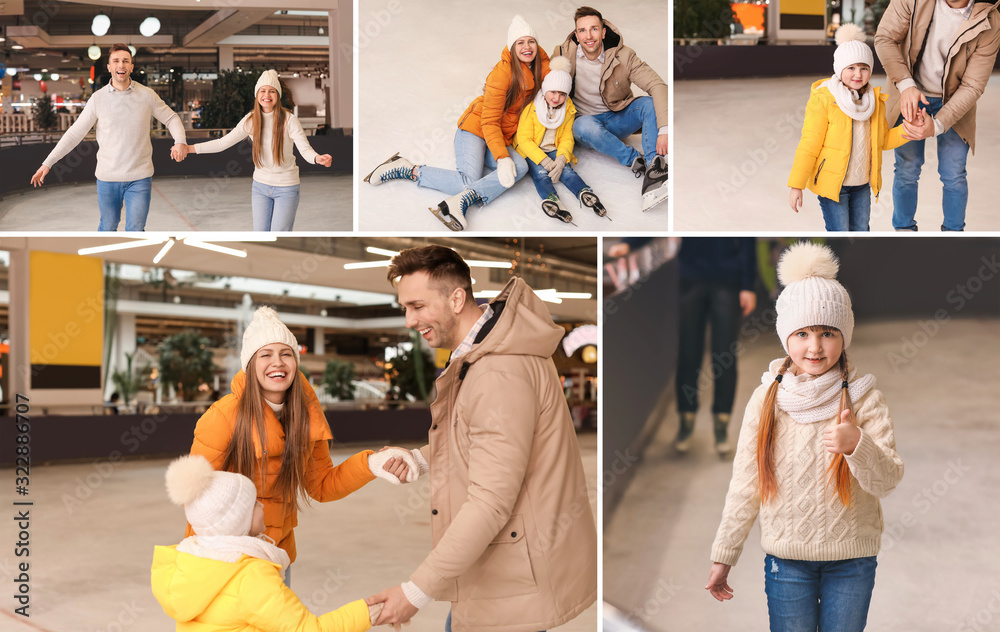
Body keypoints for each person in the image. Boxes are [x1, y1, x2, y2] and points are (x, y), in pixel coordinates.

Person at [366, 246, 597, 631]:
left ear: (457, 298)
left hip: (511, 588)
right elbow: (484, 441)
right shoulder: (484, 355)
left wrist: (416, 591)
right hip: (497, 578)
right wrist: (423, 459)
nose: (410, 320)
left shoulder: (497, 371)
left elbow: (491, 500)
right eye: (405, 308)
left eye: (418, 306)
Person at [705, 242, 904, 631]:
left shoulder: (864, 397)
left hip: (852, 560)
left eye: (828, 333)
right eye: (803, 333)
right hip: (786, 561)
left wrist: (857, 446)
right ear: (785, 337)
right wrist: (724, 553)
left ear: (844, 335)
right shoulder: (767, 399)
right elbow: (746, 484)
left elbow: (888, 479)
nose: (814, 347)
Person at [187, 305, 418, 585]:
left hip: (278, 555)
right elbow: (196, 494)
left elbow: (322, 485)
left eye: (286, 354)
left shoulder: (303, 416)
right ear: (250, 364)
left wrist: (372, 465)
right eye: (266, 354)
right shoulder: (223, 416)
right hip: (229, 561)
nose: (278, 362)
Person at [152, 454, 380, 630]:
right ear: (236, 521)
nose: (262, 506)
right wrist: (369, 612)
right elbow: (307, 629)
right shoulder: (250, 576)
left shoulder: (189, 562)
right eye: (253, 504)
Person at [365, 16, 549, 231]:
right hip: (475, 129)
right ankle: (408, 169)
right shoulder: (502, 75)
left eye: (531, 41)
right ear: (511, 46)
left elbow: (555, 73)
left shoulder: (537, 68)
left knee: (520, 166)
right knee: (467, 180)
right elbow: (488, 121)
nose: (527, 47)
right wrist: (502, 157)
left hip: (499, 136)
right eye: (520, 42)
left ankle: (459, 200)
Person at [30, 44, 188, 231]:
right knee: (108, 226)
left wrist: (180, 141)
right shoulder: (97, 99)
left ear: (131, 66)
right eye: (116, 61)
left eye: (125, 61)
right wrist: (48, 163)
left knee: (136, 230)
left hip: (140, 177)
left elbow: (171, 118)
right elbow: (75, 133)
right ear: (109, 67)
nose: (121, 65)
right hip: (107, 178)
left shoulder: (147, 95)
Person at [875, 0, 1000, 231]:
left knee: (954, 174)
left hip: (954, 102)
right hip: (909, 94)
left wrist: (939, 124)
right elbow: (885, 38)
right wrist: (906, 85)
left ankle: (953, 238)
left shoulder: (989, 19)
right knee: (907, 169)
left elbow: (973, 85)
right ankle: (903, 232)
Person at [788, 24, 913, 231]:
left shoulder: (875, 101)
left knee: (862, 233)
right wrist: (796, 185)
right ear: (840, 69)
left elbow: (882, 141)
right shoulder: (825, 100)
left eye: (864, 68)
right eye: (851, 68)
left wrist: (908, 129)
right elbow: (809, 145)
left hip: (862, 184)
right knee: (840, 235)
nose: (858, 74)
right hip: (833, 186)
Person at [181, 70, 334, 231]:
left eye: (271, 91)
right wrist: (189, 148)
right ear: (257, 94)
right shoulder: (251, 120)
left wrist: (317, 158)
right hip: (260, 187)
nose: (266, 95)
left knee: (278, 235)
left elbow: (305, 149)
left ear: (278, 95)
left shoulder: (289, 120)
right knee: (260, 234)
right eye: (263, 90)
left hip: (286, 187)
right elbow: (222, 143)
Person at [552, 6, 668, 212]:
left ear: (603, 32)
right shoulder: (562, 54)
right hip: (585, 124)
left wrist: (664, 129)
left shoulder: (624, 56)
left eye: (594, 29)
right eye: (582, 30)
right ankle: (635, 160)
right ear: (576, 35)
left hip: (617, 118)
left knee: (647, 104)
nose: (589, 36)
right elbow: (541, 81)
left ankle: (655, 167)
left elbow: (657, 85)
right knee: (583, 126)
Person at [673, 238, 758, 457]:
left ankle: (721, 425)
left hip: (727, 282)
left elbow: (748, 240)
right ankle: (686, 419)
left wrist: (748, 285)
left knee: (725, 356)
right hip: (691, 278)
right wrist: (630, 242)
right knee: (688, 353)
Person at [514, 56, 609, 225]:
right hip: (533, 150)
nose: (556, 98)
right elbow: (524, 139)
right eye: (553, 92)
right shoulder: (533, 108)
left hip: (553, 148)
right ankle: (552, 200)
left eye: (562, 94)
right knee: (541, 174)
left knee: (566, 171)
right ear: (545, 90)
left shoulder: (568, 109)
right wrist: (544, 160)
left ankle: (584, 192)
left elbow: (566, 137)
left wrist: (561, 157)